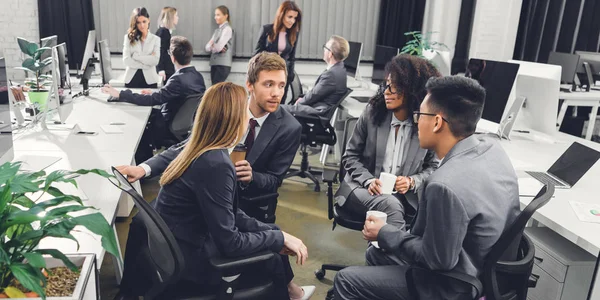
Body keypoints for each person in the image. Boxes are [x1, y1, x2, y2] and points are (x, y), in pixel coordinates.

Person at [333, 76, 522, 300]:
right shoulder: (493, 149)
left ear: (437, 122)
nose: (416, 121)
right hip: (480, 270)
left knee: (345, 280)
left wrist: (384, 231)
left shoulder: (444, 185)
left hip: (450, 285)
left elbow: (437, 260)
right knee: (376, 254)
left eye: (420, 114)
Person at [116, 51, 301, 220]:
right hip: (203, 193)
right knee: (143, 221)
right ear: (250, 85)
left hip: (244, 206)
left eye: (281, 85)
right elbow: (189, 147)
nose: (277, 93)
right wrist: (143, 169)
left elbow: (274, 180)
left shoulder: (289, 128)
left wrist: (252, 176)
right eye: (269, 84)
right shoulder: (228, 109)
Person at [336, 54, 440, 230]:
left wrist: (412, 181)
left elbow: (434, 167)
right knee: (390, 205)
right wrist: (368, 180)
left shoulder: (425, 125)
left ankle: (381, 253)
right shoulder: (372, 113)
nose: (386, 92)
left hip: (404, 196)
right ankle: (394, 254)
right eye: (387, 85)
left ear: (412, 90)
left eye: (394, 87)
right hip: (361, 188)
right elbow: (350, 157)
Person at [102, 36, 206, 163]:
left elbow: (152, 100)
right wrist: (157, 93)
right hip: (186, 125)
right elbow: (174, 95)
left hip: (167, 125)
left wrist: (120, 94)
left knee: (141, 122)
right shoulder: (197, 76)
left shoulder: (177, 79)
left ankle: (141, 166)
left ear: (172, 58)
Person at [281, 35, 349, 118]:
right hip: (318, 106)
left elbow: (314, 95)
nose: (324, 50)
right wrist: (302, 99)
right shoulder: (340, 69)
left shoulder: (331, 75)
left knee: (280, 109)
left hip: (318, 111)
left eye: (325, 47)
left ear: (330, 54)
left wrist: (298, 104)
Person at [254, 0, 302, 103]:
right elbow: (257, 54)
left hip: (283, 75)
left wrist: (290, 76)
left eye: (295, 18)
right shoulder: (267, 29)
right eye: (290, 17)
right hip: (266, 73)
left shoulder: (294, 34)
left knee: (279, 104)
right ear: (281, 15)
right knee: (264, 102)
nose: (292, 21)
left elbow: (292, 57)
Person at [123, 7, 160, 88]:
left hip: (150, 81)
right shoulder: (128, 38)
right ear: (135, 23)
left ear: (148, 20)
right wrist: (147, 63)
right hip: (132, 80)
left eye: (144, 21)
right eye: (138, 22)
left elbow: (155, 60)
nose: (142, 25)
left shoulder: (156, 39)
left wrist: (136, 57)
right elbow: (126, 60)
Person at [205, 5, 233, 84]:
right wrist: (214, 46)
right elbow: (207, 47)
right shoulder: (217, 30)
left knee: (216, 89)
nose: (215, 17)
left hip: (222, 65)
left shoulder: (227, 29)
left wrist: (213, 45)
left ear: (225, 16)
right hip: (215, 64)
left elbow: (218, 47)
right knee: (214, 89)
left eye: (218, 15)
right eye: (215, 15)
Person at [155, 6, 178, 84]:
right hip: (165, 69)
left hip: (167, 68)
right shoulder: (163, 32)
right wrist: (160, 69)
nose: (178, 18)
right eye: (176, 16)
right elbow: (160, 51)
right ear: (171, 17)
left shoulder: (165, 31)